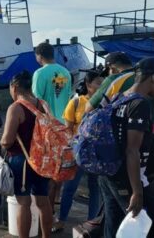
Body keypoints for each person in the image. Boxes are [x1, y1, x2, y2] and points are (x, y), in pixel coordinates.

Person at [99, 57, 154, 238]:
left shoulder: (120, 97)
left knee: (113, 225)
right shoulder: (140, 104)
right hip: (127, 177)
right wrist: (137, 192)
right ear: (153, 77)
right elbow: (132, 150)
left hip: (109, 174)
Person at [0, 70, 53, 237]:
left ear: (15, 88)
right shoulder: (43, 104)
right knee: (43, 201)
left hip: (22, 161)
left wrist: (2, 144)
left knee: (24, 202)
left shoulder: (16, 108)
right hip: (43, 159)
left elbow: (7, 140)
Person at [53, 70, 104, 232]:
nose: (102, 86)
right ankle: (61, 220)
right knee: (69, 188)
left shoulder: (106, 103)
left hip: (98, 154)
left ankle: (91, 224)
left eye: (103, 83)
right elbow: (67, 131)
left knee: (95, 190)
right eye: (98, 83)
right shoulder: (75, 103)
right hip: (78, 153)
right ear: (88, 85)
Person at [32, 42, 72, 214]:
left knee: (47, 167)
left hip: (47, 127)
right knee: (59, 165)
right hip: (64, 125)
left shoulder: (40, 73)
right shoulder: (66, 72)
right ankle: (55, 200)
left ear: (39, 56)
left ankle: (46, 209)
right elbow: (67, 98)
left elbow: (36, 102)